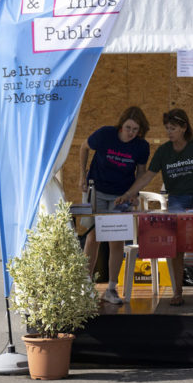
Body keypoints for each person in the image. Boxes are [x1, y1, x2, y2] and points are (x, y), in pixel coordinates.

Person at [117, 108, 193, 306]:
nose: (169, 132)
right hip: (177, 201)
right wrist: (128, 193)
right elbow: (148, 176)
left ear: (184, 128)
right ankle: (177, 292)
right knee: (177, 248)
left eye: (173, 128)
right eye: (167, 128)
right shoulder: (163, 151)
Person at [79, 106, 151, 304]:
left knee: (117, 240)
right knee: (93, 236)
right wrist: (82, 175)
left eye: (135, 129)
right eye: (128, 127)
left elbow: (142, 173)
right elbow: (84, 147)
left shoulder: (141, 146)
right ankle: (85, 285)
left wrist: (133, 194)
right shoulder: (105, 134)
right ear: (121, 125)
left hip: (121, 197)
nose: (131, 133)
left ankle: (111, 288)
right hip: (98, 191)